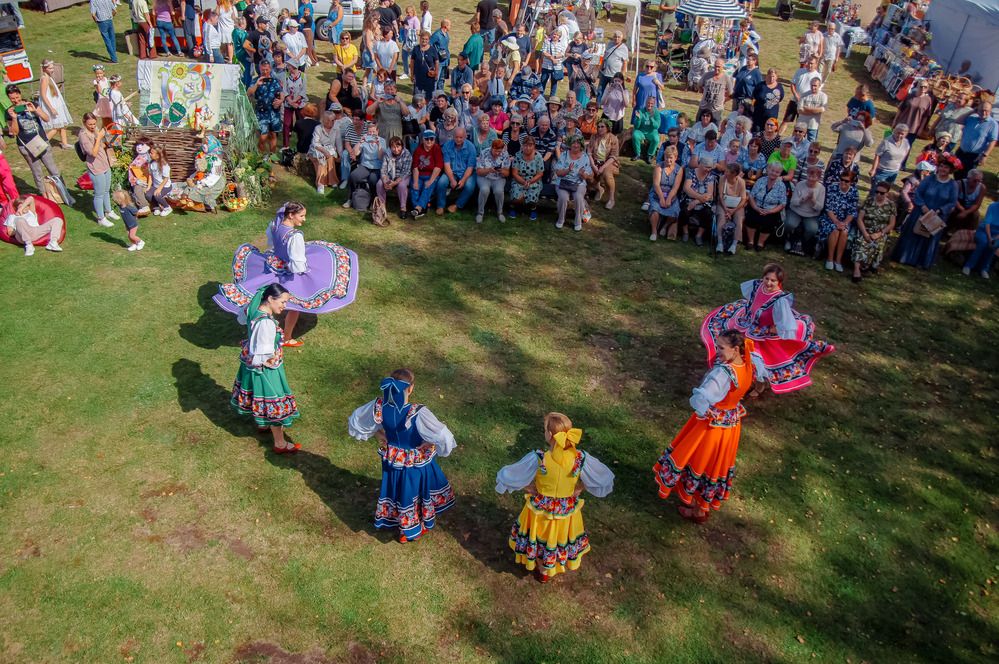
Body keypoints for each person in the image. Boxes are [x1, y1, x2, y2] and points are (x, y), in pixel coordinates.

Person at [654, 329, 767, 522]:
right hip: (731, 426)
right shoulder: (749, 362)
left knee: (700, 460)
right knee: (717, 465)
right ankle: (701, 506)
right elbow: (757, 379)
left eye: (721, 348)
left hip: (713, 427)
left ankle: (698, 509)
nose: (717, 351)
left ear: (735, 349)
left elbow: (703, 398)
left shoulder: (723, 374)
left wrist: (704, 409)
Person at [214, 202, 360, 346]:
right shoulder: (295, 236)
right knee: (296, 305)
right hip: (287, 271)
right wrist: (302, 268)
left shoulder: (275, 224)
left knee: (259, 296)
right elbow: (297, 266)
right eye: (301, 216)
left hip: (273, 264)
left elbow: (272, 243)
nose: (304, 219)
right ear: (291, 215)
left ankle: (252, 329)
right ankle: (287, 337)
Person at [495, 412, 614, 582]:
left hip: (540, 512)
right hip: (566, 512)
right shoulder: (580, 458)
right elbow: (604, 477)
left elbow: (508, 476)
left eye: (545, 430)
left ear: (549, 434)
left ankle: (541, 568)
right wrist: (579, 488)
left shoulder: (539, 458)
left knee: (538, 539)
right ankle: (548, 569)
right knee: (559, 540)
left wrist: (528, 487)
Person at [348, 369, 457, 543]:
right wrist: (432, 443)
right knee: (412, 491)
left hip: (392, 458)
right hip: (414, 462)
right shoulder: (417, 412)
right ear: (411, 388)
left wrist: (379, 434)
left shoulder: (379, 406)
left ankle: (401, 523)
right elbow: (444, 436)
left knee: (396, 488)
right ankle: (409, 529)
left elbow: (356, 420)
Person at [702, 264, 834, 394]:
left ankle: (759, 385)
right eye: (767, 278)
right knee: (732, 347)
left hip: (763, 334)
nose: (768, 283)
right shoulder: (757, 285)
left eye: (773, 280)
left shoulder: (779, 300)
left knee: (756, 361)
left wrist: (770, 330)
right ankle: (732, 378)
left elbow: (784, 324)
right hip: (747, 324)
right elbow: (752, 303)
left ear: (779, 282)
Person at [229, 284, 300, 452]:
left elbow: (241, 319)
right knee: (274, 402)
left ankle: (263, 424)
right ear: (270, 299)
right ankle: (280, 444)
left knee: (257, 395)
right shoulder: (266, 324)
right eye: (282, 302)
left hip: (249, 364)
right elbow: (263, 354)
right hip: (265, 369)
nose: (284, 306)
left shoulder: (254, 307)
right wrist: (272, 360)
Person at [891, 155, 960, 269]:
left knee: (928, 238)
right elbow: (918, 193)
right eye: (941, 166)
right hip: (920, 211)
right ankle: (905, 257)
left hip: (937, 216)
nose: (942, 169)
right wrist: (923, 206)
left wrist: (940, 210)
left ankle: (921, 261)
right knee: (913, 233)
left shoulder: (953, 185)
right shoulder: (929, 179)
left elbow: (952, 202)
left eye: (946, 167)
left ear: (951, 170)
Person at [6, 85, 65, 198]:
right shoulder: (9, 112)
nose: (16, 100)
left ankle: (62, 192)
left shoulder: (31, 104)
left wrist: (35, 111)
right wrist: (14, 118)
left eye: (17, 97)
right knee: (37, 172)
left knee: (52, 168)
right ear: (9, 98)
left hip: (41, 141)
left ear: (20, 94)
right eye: (12, 99)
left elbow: (46, 118)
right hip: (26, 146)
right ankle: (45, 195)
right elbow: (14, 132)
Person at [78, 112, 117, 229]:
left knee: (106, 190)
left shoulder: (95, 130)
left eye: (94, 124)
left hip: (104, 163)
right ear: (84, 123)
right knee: (99, 194)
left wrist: (109, 140)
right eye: (90, 124)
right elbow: (93, 153)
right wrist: (99, 137)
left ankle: (108, 211)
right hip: (95, 167)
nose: (93, 126)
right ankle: (101, 218)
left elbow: (101, 146)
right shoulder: (83, 135)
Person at [852, 182, 896, 282]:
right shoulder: (868, 201)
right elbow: (860, 219)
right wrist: (865, 233)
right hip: (866, 229)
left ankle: (867, 265)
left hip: (880, 232)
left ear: (887, 194)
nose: (878, 194)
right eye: (877, 192)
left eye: (882, 193)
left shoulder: (891, 205)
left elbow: (891, 224)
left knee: (877, 244)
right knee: (861, 243)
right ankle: (856, 270)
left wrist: (880, 233)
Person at [175, 134, 227, 213]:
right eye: (203, 143)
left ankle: (202, 204)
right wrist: (193, 177)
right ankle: (185, 200)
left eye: (206, 143)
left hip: (214, 181)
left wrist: (201, 182)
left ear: (211, 144)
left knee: (198, 190)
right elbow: (200, 170)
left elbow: (215, 175)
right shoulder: (205, 155)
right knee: (185, 185)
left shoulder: (216, 159)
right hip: (204, 177)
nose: (204, 145)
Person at [821, 170, 859, 272]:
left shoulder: (854, 192)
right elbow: (828, 208)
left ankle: (838, 260)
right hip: (830, 218)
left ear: (851, 182)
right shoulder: (832, 188)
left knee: (844, 232)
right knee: (835, 230)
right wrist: (836, 222)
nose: (843, 182)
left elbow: (852, 211)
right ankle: (830, 258)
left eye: (846, 181)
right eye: (841, 179)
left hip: (845, 220)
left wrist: (845, 223)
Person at [784, 164, 826, 255]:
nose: (810, 179)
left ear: (818, 178)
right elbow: (793, 202)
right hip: (796, 211)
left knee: (812, 229)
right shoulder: (800, 184)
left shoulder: (821, 189)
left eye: (813, 177)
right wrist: (802, 199)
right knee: (789, 224)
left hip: (811, 214)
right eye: (809, 176)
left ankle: (800, 242)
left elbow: (820, 207)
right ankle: (788, 239)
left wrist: (813, 200)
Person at [745, 163, 787, 251]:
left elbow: (782, 204)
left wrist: (770, 211)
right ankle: (750, 241)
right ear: (768, 170)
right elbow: (751, 196)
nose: (774, 173)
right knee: (751, 217)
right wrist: (756, 208)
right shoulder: (760, 180)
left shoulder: (781, 186)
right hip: (756, 206)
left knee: (769, 221)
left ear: (780, 174)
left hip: (771, 210)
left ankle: (760, 243)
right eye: (772, 170)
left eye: (777, 172)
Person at [553, 135, 592, 231]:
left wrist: (583, 175)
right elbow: (558, 173)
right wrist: (567, 170)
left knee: (578, 197)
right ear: (570, 144)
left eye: (578, 143)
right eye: (574, 142)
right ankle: (561, 219)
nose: (575, 145)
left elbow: (588, 175)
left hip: (579, 183)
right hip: (563, 182)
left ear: (581, 145)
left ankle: (578, 221)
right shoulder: (564, 155)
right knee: (563, 197)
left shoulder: (585, 157)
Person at [437, 127, 478, 214]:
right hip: (452, 172)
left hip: (467, 173)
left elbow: (470, 167)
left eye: (461, 137)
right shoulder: (447, 146)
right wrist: (452, 179)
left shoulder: (471, 147)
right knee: (441, 182)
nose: (458, 139)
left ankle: (457, 205)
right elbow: (446, 165)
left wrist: (463, 180)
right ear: (453, 136)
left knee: (469, 186)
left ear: (465, 136)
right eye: (456, 137)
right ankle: (440, 205)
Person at [345, 122, 386, 210]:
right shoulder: (365, 139)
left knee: (373, 180)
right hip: (365, 165)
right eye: (369, 132)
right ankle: (350, 198)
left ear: (377, 131)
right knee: (353, 176)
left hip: (377, 166)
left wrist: (378, 144)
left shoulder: (382, 141)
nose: (371, 134)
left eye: (373, 132)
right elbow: (356, 153)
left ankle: (373, 200)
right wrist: (360, 142)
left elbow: (380, 157)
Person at [894, 81, 935, 167]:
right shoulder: (910, 96)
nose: (923, 88)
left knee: (907, 145)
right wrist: (895, 121)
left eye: (925, 87)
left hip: (914, 127)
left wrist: (921, 128)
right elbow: (900, 109)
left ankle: (902, 164)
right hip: (903, 123)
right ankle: (893, 160)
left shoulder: (928, 100)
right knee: (897, 142)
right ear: (918, 86)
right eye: (921, 86)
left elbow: (925, 116)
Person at [249, 60, 284, 160]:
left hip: (274, 112)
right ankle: (261, 157)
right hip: (261, 113)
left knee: (273, 134)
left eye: (267, 69)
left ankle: (272, 156)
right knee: (262, 136)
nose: (265, 72)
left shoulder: (275, 81)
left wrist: (281, 100)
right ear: (259, 69)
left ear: (270, 69)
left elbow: (281, 93)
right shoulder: (255, 80)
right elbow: (249, 93)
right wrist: (257, 85)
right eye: (263, 69)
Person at [648, 144, 683, 241]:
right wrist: (661, 198)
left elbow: (675, 188)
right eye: (666, 157)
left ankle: (665, 226)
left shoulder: (679, 169)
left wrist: (668, 199)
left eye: (671, 158)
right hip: (658, 192)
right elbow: (656, 184)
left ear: (675, 158)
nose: (668, 160)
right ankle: (654, 231)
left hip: (671, 193)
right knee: (655, 210)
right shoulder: (659, 166)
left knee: (675, 211)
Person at [956, 102, 998, 177]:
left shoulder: (993, 124)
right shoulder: (972, 118)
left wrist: (985, 155)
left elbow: (993, 141)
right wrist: (971, 111)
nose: (984, 113)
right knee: (955, 173)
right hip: (961, 152)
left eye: (986, 111)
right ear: (977, 110)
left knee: (966, 177)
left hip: (974, 156)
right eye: (981, 110)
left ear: (990, 111)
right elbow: (958, 120)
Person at [474, 138, 511, 223]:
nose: (497, 153)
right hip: (484, 177)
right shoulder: (484, 153)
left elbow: (507, 173)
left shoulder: (505, 154)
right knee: (484, 190)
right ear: (492, 148)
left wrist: (502, 171)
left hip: (499, 178)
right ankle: (480, 213)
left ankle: (500, 212)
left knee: (499, 191)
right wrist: (488, 170)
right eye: (496, 151)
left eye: (499, 151)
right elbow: (478, 171)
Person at [781, 57, 820, 134]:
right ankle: (777, 138)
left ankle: (794, 139)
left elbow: (816, 91)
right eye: (808, 63)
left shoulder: (817, 76)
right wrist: (796, 95)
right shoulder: (800, 71)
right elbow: (792, 84)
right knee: (786, 121)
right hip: (794, 101)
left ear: (816, 64)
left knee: (799, 126)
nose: (809, 65)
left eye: (812, 63)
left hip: (805, 104)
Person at [409, 129, 443, 218]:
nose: (429, 141)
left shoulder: (436, 148)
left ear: (434, 139)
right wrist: (415, 182)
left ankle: (418, 208)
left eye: (431, 139)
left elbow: (438, 167)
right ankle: (419, 209)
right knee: (415, 186)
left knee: (427, 186)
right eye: (426, 139)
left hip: (432, 174)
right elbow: (415, 167)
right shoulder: (418, 150)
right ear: (423, 139)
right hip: (419, 174)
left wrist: (431, 180)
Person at [38, 60, 72, 150]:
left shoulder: (49, 77)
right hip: (51, 105)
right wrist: (51, 108)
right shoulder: (44, 78)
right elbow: (43, 95)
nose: (52, 70)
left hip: (56, 103)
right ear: (44, 69)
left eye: (52, 68)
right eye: (50, 68)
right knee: (56, 127)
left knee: (62, 124)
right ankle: (41, 144)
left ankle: (64, 143)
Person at [681, 158, 715, 246]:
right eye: (706, 167)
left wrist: (696, 201)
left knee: (708, 213)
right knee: (685, 210)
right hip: (689, 198)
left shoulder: (710, 176)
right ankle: (685, 232)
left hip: (702, 202)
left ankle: (699, 235)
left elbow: (709, 194)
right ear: (700, 165)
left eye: (710, 167)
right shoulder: (691, 172)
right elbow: (687, 188)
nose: (708, 169)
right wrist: (700, 197)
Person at [509, 135, 544, 220]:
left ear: (534, 146)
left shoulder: (538, 156)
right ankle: (513, 206)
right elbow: (514, 173)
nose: (527, 148)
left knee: (532, 197)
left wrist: (530, 182)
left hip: (534, 180)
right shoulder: (518, 155)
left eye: (530, 145)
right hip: (519, 179)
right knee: (517, 198)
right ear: (522, 145)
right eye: (525, 145)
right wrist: (524, 182)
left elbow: (540, 174)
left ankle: (533, 208)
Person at [587, 120, 619, 211]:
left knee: (607, 174)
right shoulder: (594, 136)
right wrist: (593, 165)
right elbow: (589, 152)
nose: (599, 129)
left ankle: (611, 199)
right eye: (598, 127)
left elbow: (614, 156)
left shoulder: (613, 138)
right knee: (587, 174)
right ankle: (599, 188)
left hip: (608, 162)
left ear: (607, 128)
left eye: (602, 127)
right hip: (595, 161)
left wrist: (602, 167)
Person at [377, 136, 412, 217]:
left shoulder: (407, 154)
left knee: (402, 185)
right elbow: (383, 170)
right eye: (393, 147)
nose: (396, 149)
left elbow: (405, 172)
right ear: (390, 147)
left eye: (398, 146)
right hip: (390, 175)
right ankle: (382, 206)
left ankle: (403, 208)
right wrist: (385, 181)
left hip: (403, 176)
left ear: (402, 146)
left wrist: (395, 183)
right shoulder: (387, 154)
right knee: (379, 184)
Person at [716, 163, 747, 254]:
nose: (725, 173)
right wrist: (726, 209)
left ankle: (734, 244)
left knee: (739, 218)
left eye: (727, 172)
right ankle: (720, 243)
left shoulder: (741, 182)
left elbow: (744, 199)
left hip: (737, 206)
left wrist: (733, 211)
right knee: (721, 217)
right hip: (723, 204)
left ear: (734, 174)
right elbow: (720, 196)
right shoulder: (722, 179)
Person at [963, 201, 999, 278]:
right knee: (983, 243)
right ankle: (968, 266)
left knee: (994, 245)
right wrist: (990, 238)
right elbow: (987, 224)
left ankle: (984, 269)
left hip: (996, 234)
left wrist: (996, 238)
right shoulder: (993, 206)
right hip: (984, 231)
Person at [308, 111, 339, 194]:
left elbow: (338, 142)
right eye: (332, 120)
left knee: (331, 158)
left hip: (329, 149)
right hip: (316, 150)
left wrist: (340, 154)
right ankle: (320, 184)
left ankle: (332, 181)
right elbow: (315, 143)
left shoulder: (336, 128)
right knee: (321, 159)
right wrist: (324, 151)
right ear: (326, 121)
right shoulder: (318, 128)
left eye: (334, 120)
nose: (334, 122)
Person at [950, 168, 986, 233]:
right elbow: (954, 199)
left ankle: (971, 233)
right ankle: (948, 229)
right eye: (975, 180)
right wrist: (962, 209)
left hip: (970, 207)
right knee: (951, 210)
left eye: (979, 181)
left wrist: (966, 212)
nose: (977, 183)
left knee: (975, 215)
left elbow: (977, 204)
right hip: (958, 205)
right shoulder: (959, 184)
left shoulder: (982, 188)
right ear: (968, 178)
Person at [698, 59, 733, 124]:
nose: (717, 68)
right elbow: (700, 85)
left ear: (722, 67)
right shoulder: (707, 75)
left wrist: (724, 100)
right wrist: (704, 93)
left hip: (717, 110)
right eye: (715, 66)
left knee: (714, 128)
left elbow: (731, 94)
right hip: (704, 106)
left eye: (719, 67)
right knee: (699, 125)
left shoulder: (726, 78)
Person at [410, 31, 440, 101]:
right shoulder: (416, 49)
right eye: (423, 39)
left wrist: (436, 73)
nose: (424, 40)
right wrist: (412, 74)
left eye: (426, 39)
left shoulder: (432, 49)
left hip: (429, 77)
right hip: (418, 77)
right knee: (417, 97)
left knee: (428, 97)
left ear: (429, 40)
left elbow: (436, 62)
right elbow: (412, 62)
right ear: (420, 39)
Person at [752, 68, 784, 134]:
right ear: (766, 76)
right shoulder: (760, 85)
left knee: (769, 134)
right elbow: (754, 97)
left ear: (776, 77)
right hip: (758, 115)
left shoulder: (780, 87)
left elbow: (780, 98)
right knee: (756, 133)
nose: (771, 78)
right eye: (770, 76)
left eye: (773, 76)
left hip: (772, 116)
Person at [146, 144, 174, 217]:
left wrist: (159, 189)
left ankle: (167, 208)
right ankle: (157, 207)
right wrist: (148, 187)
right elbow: (150, 175)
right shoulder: (151, 163)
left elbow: (166, 179)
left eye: (152, 153)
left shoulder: (164, 165)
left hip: (165, 186)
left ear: (158, 156)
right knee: (148, 194)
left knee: (157, 194)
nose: (150, 154)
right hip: (156, 185)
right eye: (150, 152)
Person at [632, 96, 661, 164]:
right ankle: (638, 154)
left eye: (651, 103)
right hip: (641, 131)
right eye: (648, 103)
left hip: (651, 132)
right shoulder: (640, 111)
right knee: (635, 135)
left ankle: (650, 155)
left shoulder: (656, 112)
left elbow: (657, 126)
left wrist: (651, 119)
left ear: (654, 104)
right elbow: (636, 126)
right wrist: (638, 119)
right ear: (645, 103)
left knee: (656, 139)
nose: (649, 105)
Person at [798, 76, 827, 142]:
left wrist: (807, 109)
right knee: (798, 142)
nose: (813, 87)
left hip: (813, 125)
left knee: (811, 144)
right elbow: (800, 110)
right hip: (801, 124)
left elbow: (822, 109)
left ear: (819, 86)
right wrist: (815, 111)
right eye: (812, 85)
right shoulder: (804, 95)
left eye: (815, 86)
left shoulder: (823, 96)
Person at [429, 19, 451, 91]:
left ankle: (440, 94)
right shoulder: (436, 35)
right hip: (438, 61)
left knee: (442, 80)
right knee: (436, 79)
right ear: (445, 26)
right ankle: (433, 94)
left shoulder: (446, 34)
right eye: (449, 25)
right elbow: (429, 44)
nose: (450, 27)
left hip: (445, 60)